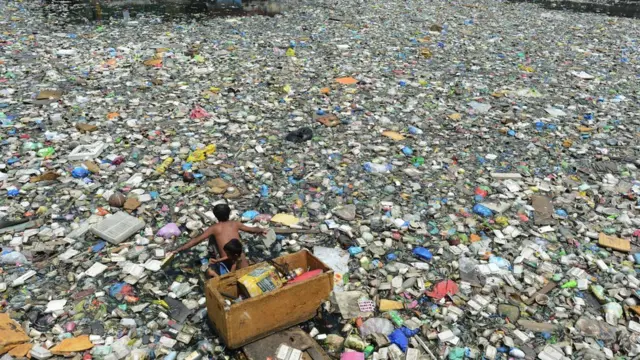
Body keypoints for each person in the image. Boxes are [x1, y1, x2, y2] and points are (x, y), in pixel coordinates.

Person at [168, 204, 266, 277]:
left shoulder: (214, 228)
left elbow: (196, 240)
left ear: (215, 215)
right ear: (229, 214)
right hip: (239, 255)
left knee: (229, 278)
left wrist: (179, 249)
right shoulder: (235, 224)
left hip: (227, 259)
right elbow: (251, 230)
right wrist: (261, 230)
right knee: (247, 276)